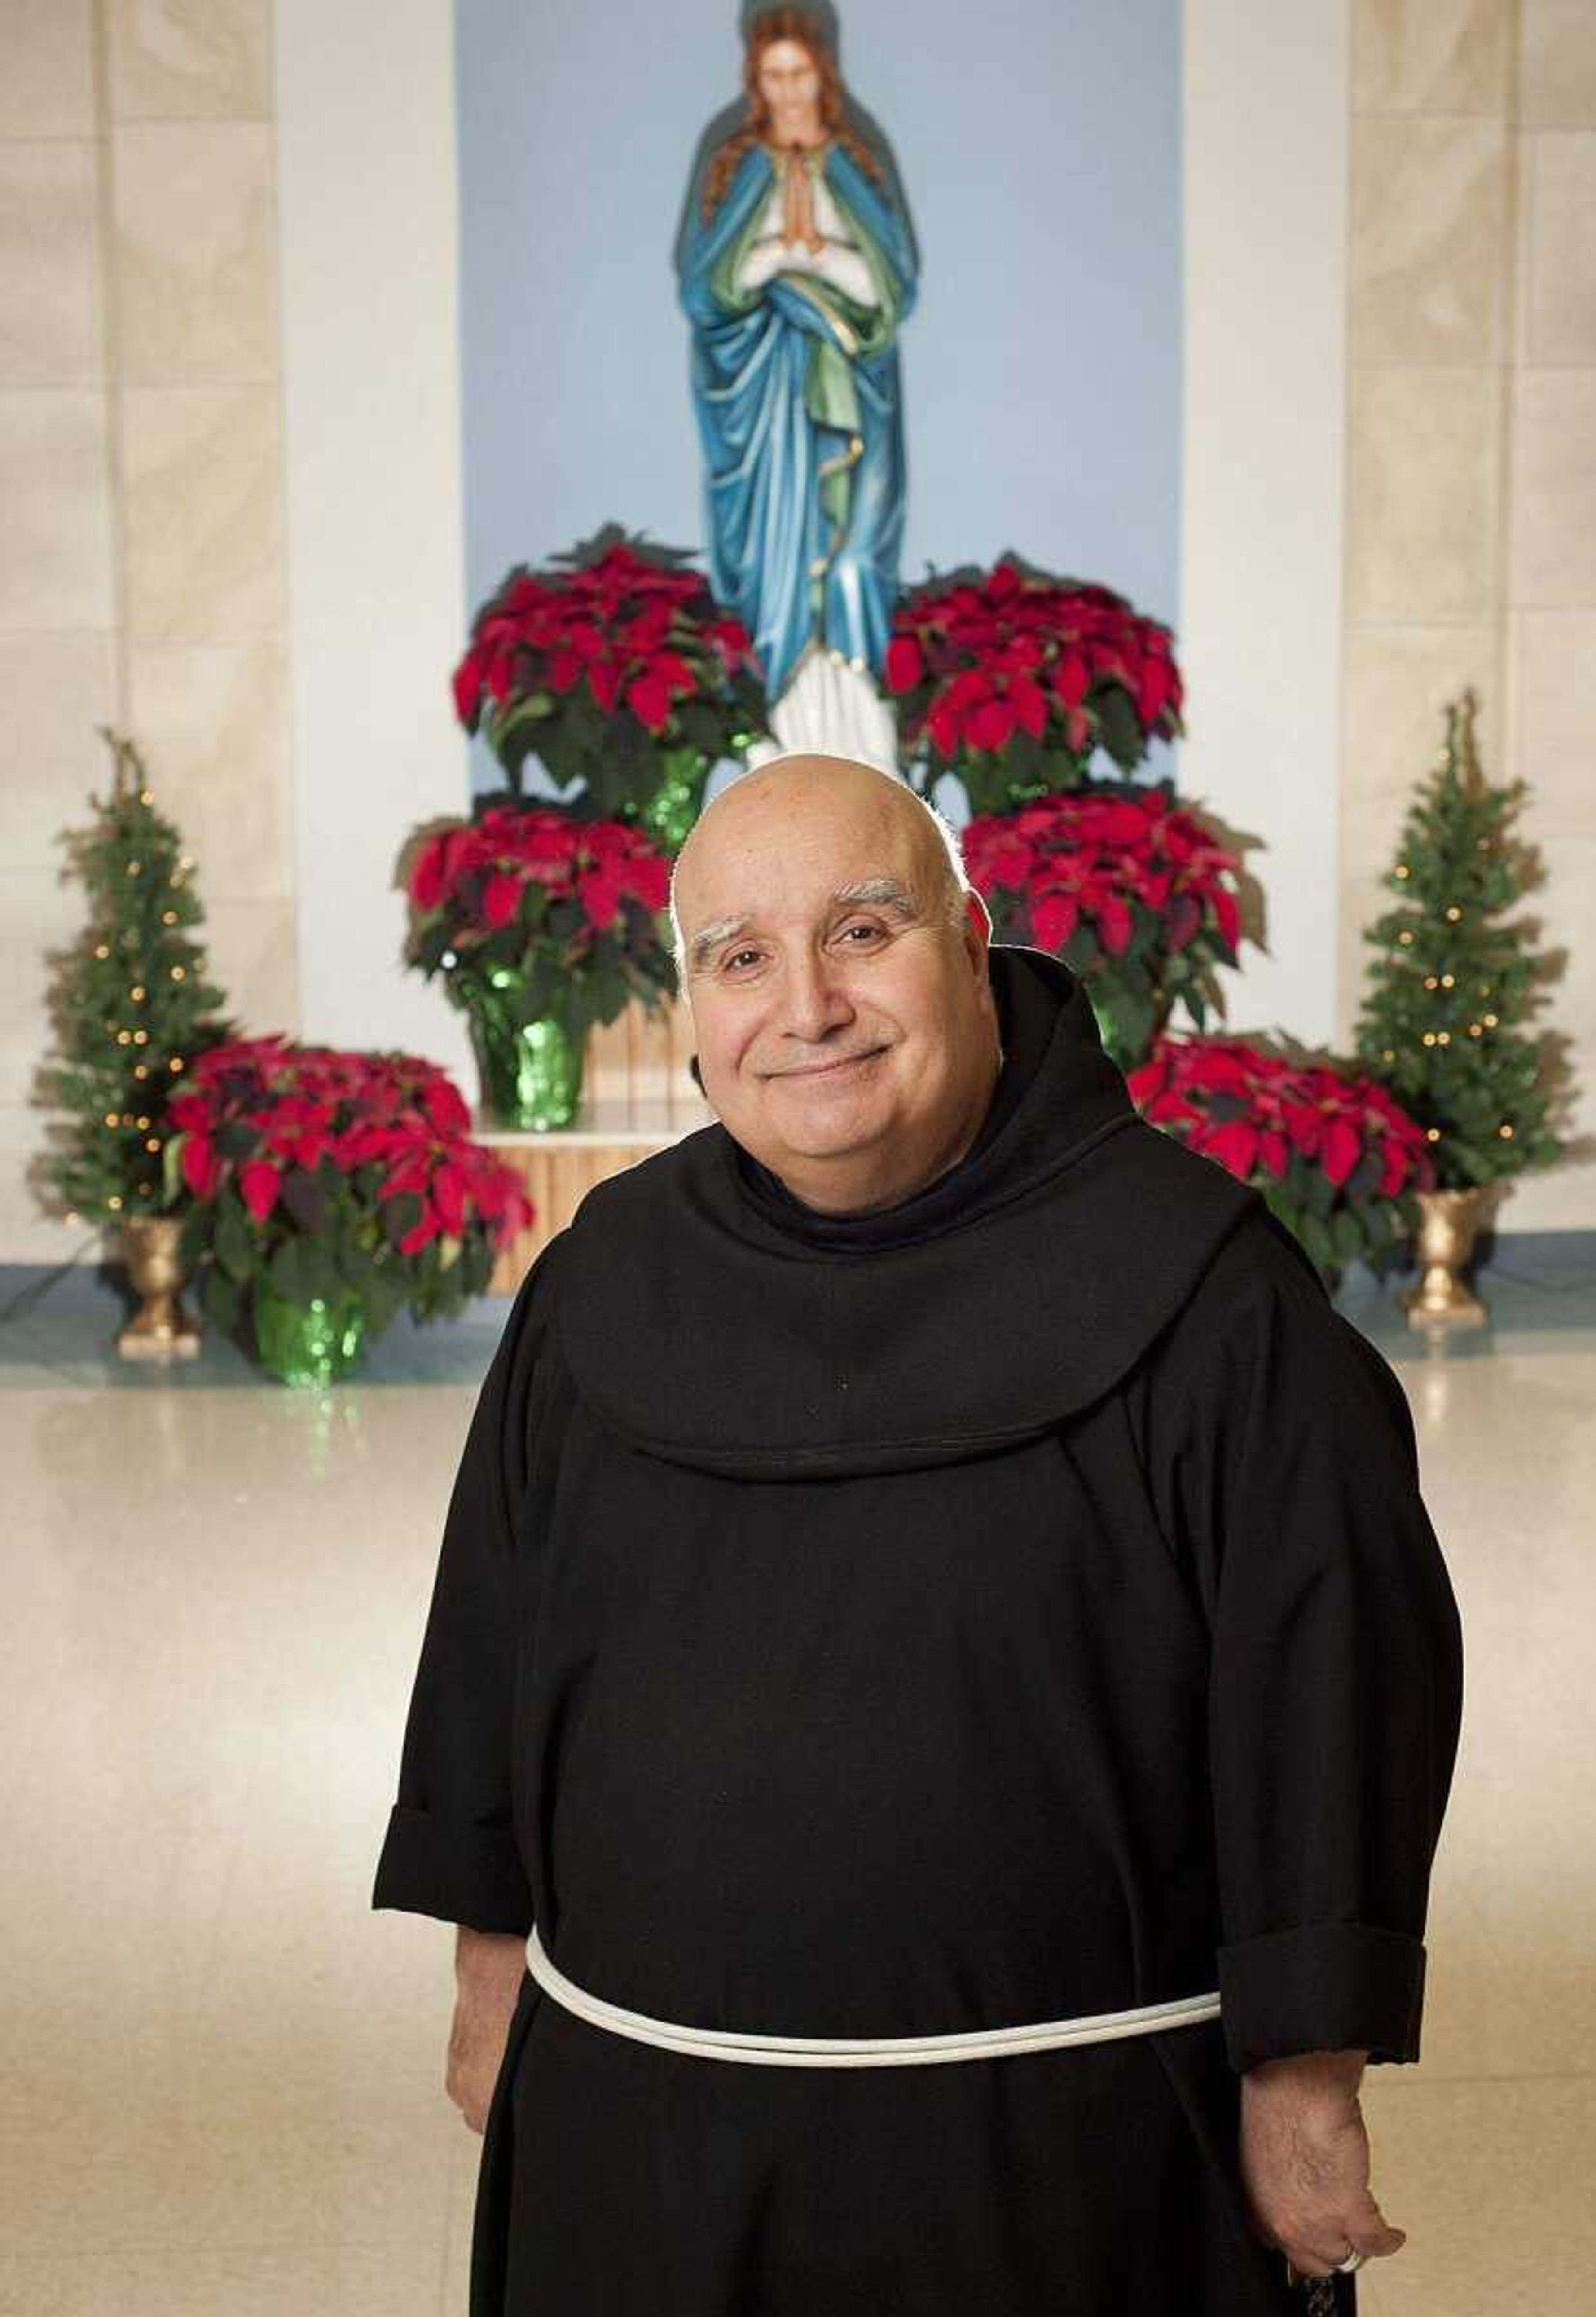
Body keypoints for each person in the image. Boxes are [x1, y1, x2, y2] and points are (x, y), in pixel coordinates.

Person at [371, 753, 1464, 2315]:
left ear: (972, 937)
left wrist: (1308, 2081)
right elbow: (495, 1633)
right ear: (691, 1004)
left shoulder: (1208, 1292)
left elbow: (1334, 1689)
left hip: (1069, 2166)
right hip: (650, 2141)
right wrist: (492, 1976)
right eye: (740, 958)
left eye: (863, 931)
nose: (805, 1005)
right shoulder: (607, 1277)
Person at [673, 4, 916, 762]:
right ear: (755, 75)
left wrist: (816, 264)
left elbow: (892, 285)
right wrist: (776, 258)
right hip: (766, 390)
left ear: (824, 71)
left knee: (852, 553)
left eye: (799, 73)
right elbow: (704, 287)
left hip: (849, 384)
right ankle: (783, 734)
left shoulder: (859, 160)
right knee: (775, 562)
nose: (785, 91)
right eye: (772, 75)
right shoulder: (732, 163)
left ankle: (857, 735)